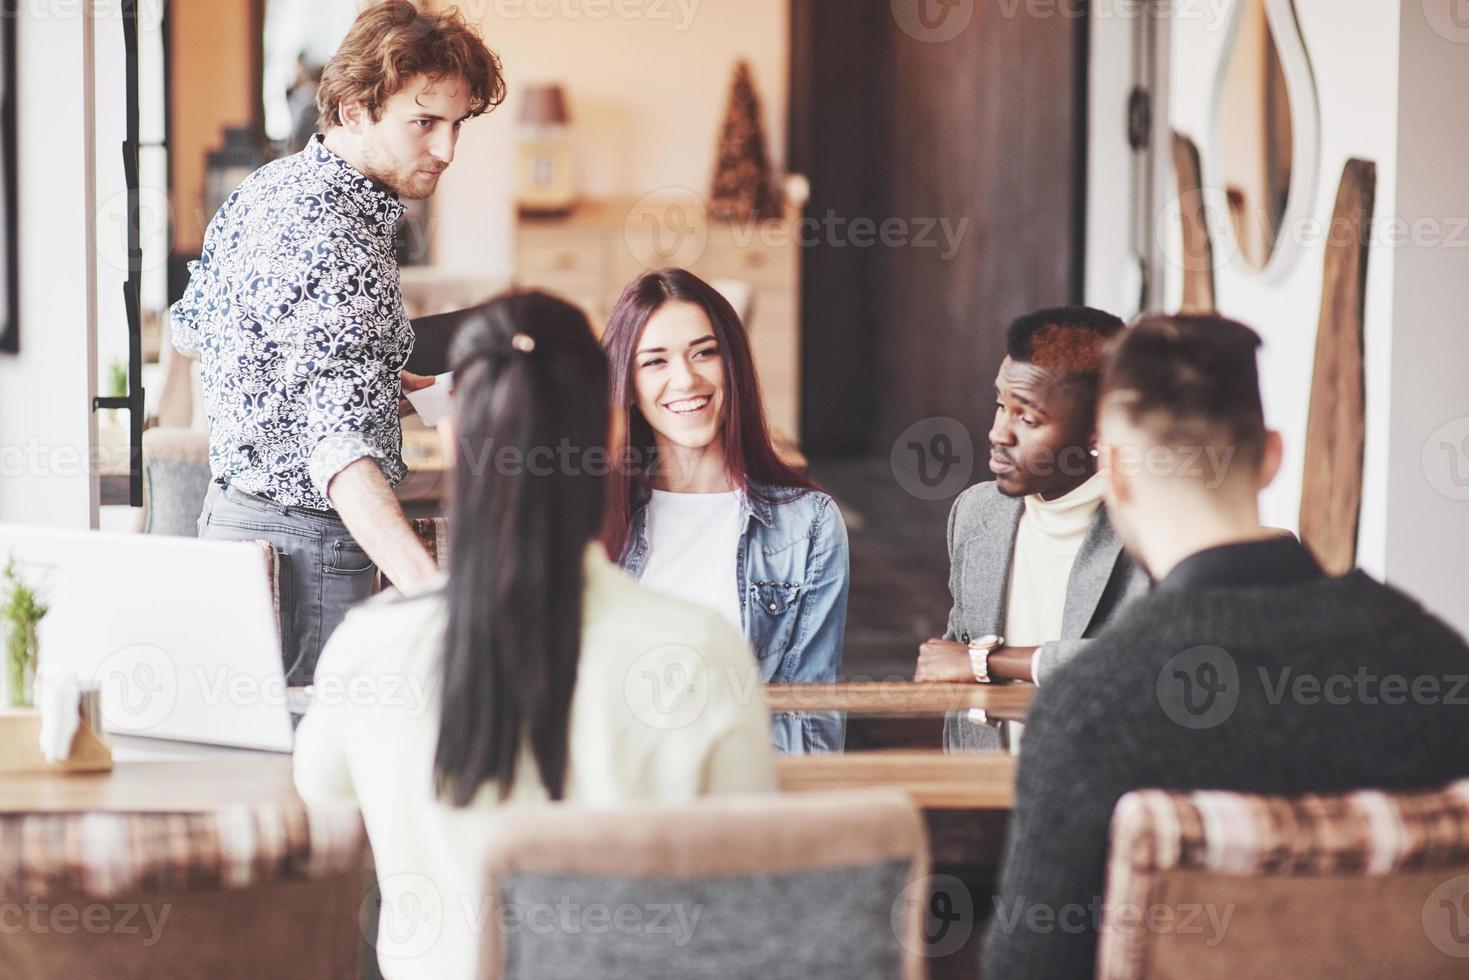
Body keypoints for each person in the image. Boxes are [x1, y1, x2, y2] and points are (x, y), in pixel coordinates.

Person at [293, 292, 778, 980]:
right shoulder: (700, 653)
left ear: (458, 435)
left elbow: (325, 815)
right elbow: (751, 878)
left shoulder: (368, 651)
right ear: (613, 433)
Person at [981, 314, 1469, 978]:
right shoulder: (1436, 663)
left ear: (1115, 473)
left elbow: (1028, 968)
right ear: (1270, 456)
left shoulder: (1091, 709)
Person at [170, 1, 505, 683]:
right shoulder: (332, 237)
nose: (446, 149)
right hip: (305, 551)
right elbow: (339, 453)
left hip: (238, 529)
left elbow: (193, 328)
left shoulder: (270, 189)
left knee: (268, 778)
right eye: (424, 123)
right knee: (324, 779)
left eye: (456, 124)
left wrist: (374, 389)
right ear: (353, 110)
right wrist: (438, 598)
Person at [601, 268, 849, 754]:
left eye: (704, 352)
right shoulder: (592, 517)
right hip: (617, 801)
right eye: (655, 362)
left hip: (743, 801)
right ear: (626, 384)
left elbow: (810, 714)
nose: (686, 379)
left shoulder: (809, 524)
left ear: (731, 362)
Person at [915, 306, 1149, 688]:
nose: (998, 433)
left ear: (1100, 429)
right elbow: (952, 666)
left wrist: (987, 662)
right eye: (1001, 406)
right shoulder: (977, 512)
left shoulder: (1148, 533)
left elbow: (1140, 662)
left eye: (1027, 419)